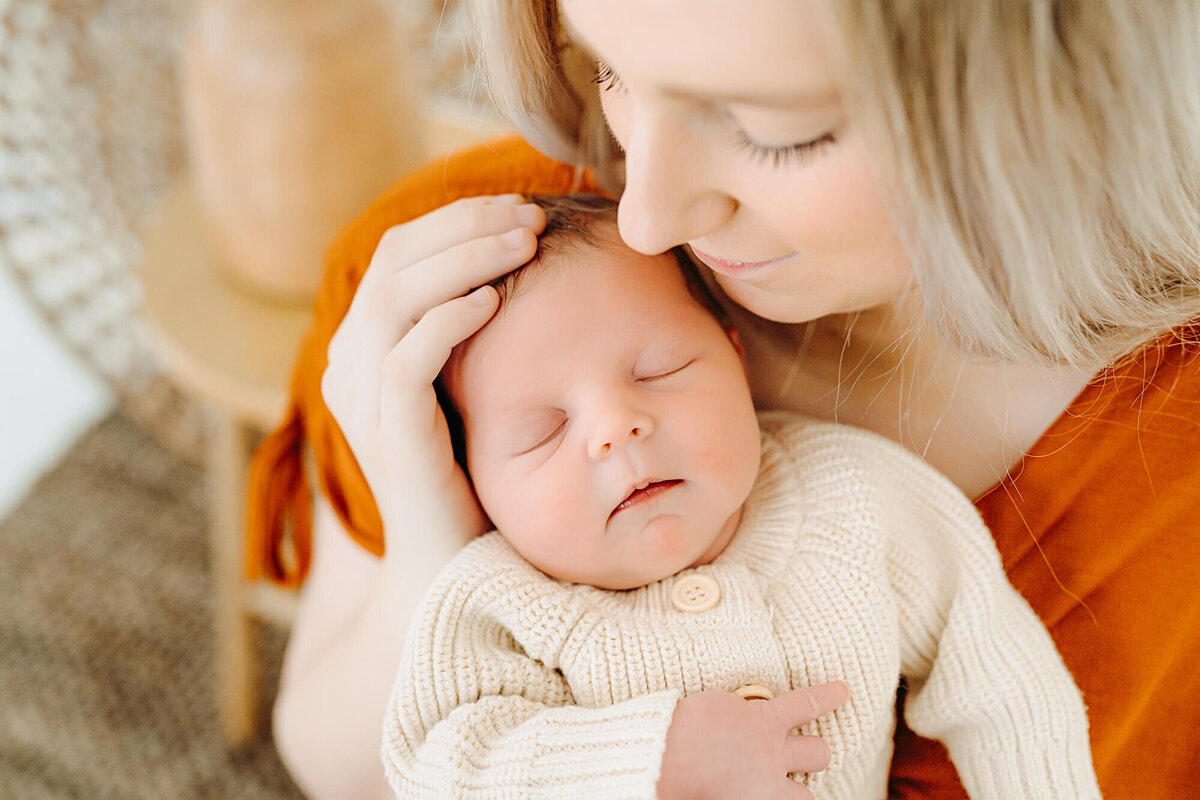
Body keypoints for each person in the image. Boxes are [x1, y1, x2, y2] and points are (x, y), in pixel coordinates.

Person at [250, 2, 1200, 798]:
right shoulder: (459, 296)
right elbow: (344, 767)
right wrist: (430, 544)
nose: (648, 213)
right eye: (610, 68)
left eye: (773, 129)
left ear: (1054, 98)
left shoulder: (1166, 474)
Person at [380, 194, 1099, 799]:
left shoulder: (854, 499)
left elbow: (1002, 681)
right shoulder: (498, 602)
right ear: (473, 472)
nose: (615, 430)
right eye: (543, 430)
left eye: (659, 369)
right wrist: (646, 759)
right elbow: (436, 767)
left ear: (734, 351)